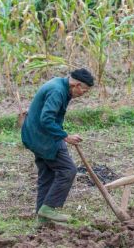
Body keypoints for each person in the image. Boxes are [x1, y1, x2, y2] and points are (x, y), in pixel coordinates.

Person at [21, 68, 94, 226]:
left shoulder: (61, 86)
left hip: (34, 136)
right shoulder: (57, 91)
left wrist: (61, 134)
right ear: (77, 84)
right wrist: (65, 136)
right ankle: (49, 208)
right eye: (85, 90)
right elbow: (47, 119)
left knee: (47, 175)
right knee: (68, 170)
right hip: (43, 138)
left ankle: (43, 221)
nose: (84, 94)